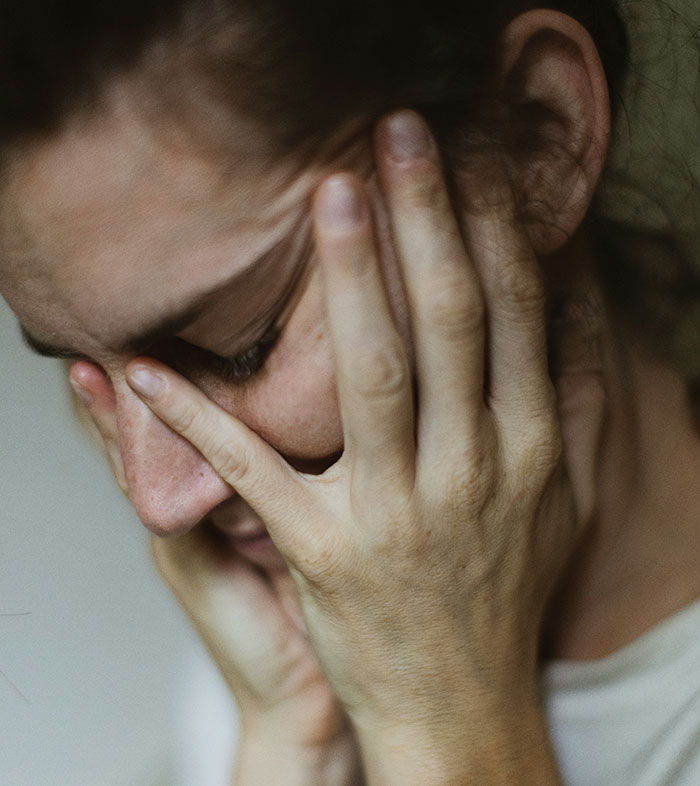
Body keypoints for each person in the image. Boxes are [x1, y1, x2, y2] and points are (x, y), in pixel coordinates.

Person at [1, 1, 699, 784]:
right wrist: (288, 752)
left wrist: (445, 724)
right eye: (81, 365)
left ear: (538, 137)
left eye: (241, 349)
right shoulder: (283, 637)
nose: (159, 504)